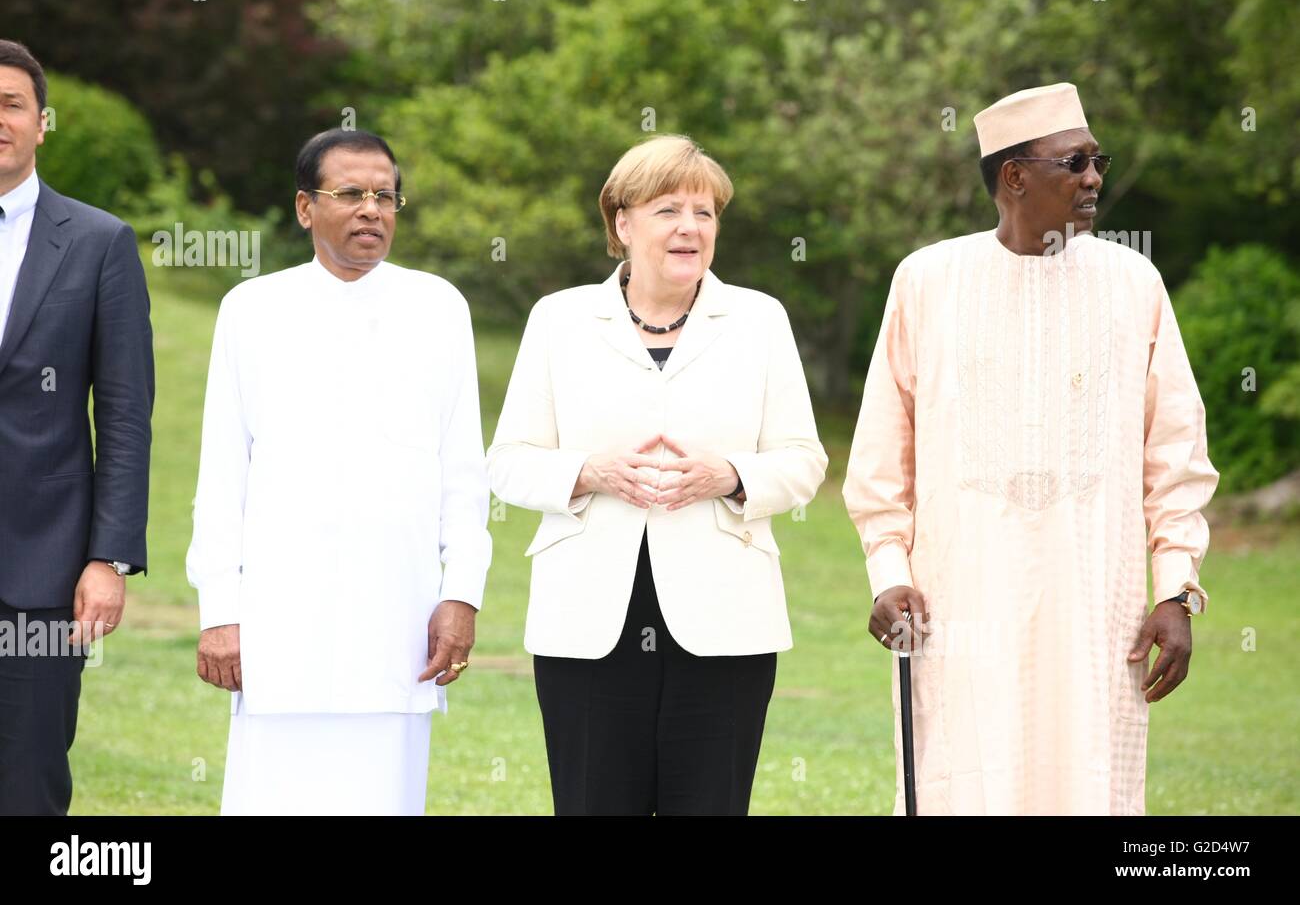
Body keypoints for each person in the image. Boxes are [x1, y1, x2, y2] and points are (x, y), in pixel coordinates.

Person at [843, 82, 1219, 814]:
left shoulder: (1132, 281)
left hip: (1095, 601)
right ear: (1014, 177)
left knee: (1087, 782)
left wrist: (1175, 588)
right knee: (964, 774)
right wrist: (887, 571)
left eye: (1097, 160)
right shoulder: (928, 280)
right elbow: (882, 454)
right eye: (1074, 163)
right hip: (957, 600)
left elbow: (1174, 450)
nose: (1094, 179)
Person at [487, 134, 828, 815]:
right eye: (668, 209)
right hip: (587, 622)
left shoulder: (760, 319)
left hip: (726, 621)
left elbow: (803, 460)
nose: (690, 228)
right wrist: (590, 470)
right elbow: (508, 462)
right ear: (622, 222)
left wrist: (729, 474)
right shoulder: (558, 319)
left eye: (705, 213)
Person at [186, 128, 491, 815]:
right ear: (304, 208)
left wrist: (461, 594)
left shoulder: (439, 307)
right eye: (350, 194)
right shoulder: (251, 310)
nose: (371, 211)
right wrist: (220, 613)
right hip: (280, 620)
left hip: (399, 615)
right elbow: (221, 474)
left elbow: (463, 473)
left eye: (385, 196)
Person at [0, 40, 155, 816]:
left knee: (28, 782)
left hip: (43, 572)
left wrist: (109, 558)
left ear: (42, 121)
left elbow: (125, 414)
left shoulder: (99, 243)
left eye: (11, 103)